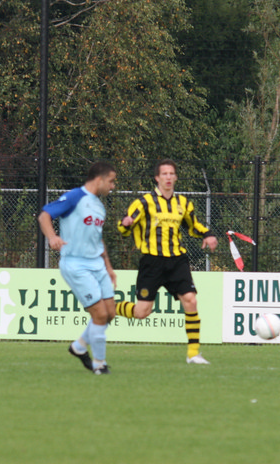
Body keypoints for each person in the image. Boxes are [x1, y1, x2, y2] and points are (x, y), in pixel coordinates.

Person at [116, 159, 218, 364]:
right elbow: (123, 227)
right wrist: (125, 224)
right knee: (142, 312)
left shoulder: (183, 203)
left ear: (176, 177)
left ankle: (193, 354)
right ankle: (110, 307)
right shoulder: (144, 202)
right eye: (164, 174)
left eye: (171, 174)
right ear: (157, 178)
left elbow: (193, 225)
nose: (168, 177)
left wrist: (207, 235)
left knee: (191, 300)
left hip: (177, 261)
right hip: (152, 262)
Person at [38, 161, 118, 375]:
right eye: (111, 181)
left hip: (97, 265)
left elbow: (98, 240)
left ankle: (79, 346)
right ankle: (99, 365)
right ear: (99, 179)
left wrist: (109, 268)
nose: (112, 186)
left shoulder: (99, 206)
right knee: (100, 315)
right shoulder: (75, 197)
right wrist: (52, 237)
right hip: (76, 264)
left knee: (110, 313)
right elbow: (44, 215)